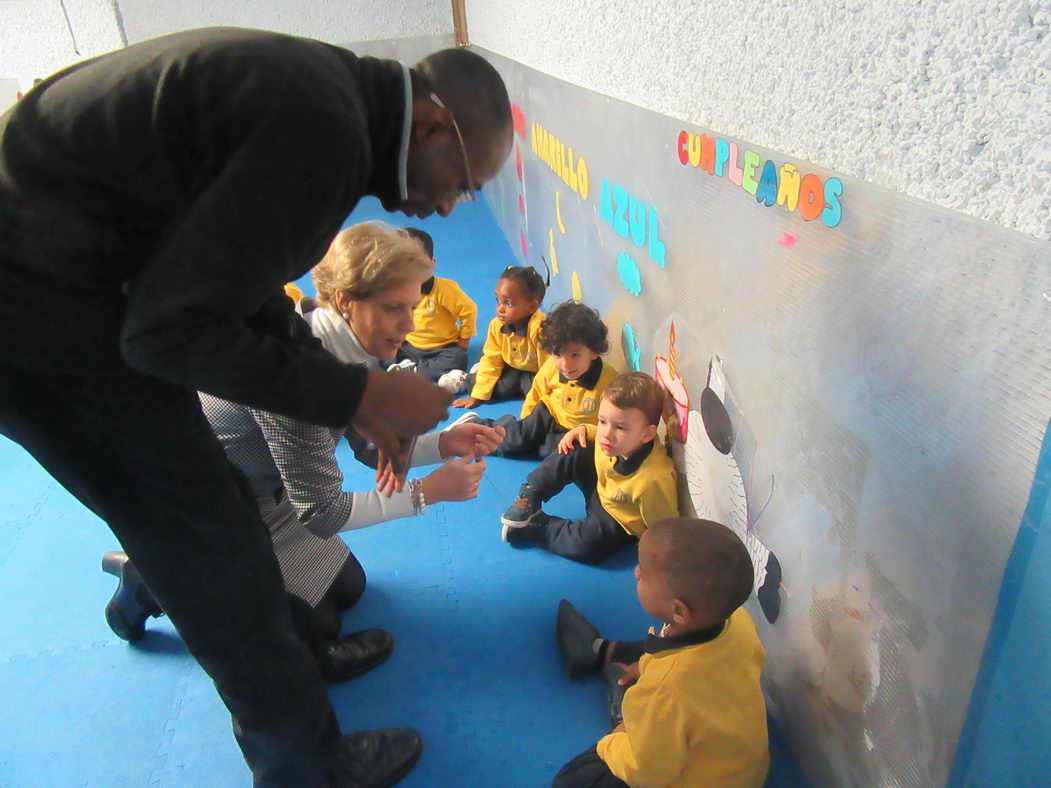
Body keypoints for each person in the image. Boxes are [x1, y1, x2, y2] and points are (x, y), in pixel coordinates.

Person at [0, 27, 512, 787]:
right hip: (46, 328)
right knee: (219, 558)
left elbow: (244, 290)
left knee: (230, 522)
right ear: (435, 126)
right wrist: (360, 394)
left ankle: (169, 578)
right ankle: (307, 771)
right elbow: (169, 333)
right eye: (465, 183)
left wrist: (368, 404)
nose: (448, 206)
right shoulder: (322, 134)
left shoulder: (326, 100)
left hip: (86, 293)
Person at [101, 225, 503, 686]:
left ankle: (159, 570)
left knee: (349, 588)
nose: (409, 326)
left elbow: (368, 447)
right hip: (220, 512)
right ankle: (149, 579)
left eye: (412, 306)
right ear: (345, 300)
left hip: (272, 493)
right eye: (394, 308)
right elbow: (323, 513)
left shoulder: (344, 343)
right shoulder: (298, 382)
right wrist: (427, 493)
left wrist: (443, 443)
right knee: (318, 628)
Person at [551, 518, 770, 788]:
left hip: (697, 779)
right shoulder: (737, 620)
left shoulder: (666, 687)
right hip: (740, 768)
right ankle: (603, 655)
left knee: (571, 780)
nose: (636, 573)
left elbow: (646, 774)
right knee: (651, 655)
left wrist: (615, 739)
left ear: (679, 611)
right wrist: (645, 667)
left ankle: (623, 707)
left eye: (643, 572)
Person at [500, 372, 678, 564]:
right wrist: (583, 428)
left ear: (647, 435)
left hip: (617, 519)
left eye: (621, 428)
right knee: (574, 444)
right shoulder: (613, 442)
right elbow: (593, 433)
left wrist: (655, 557)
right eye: (602, 421)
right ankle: (531, 494)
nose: (606, 435)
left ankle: (537, 526)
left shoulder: (654, 479)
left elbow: (663, 527)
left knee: (588, 545)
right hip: (600, 487)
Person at [475, 300, 619, 458]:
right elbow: (536, 391)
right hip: (547, 413)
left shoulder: (610, 383)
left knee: (551, 453)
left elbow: (612, 421)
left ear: (593, 352)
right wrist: (526, 421)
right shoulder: (552, 367)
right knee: (517, 441)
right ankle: (475, 427)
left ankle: (513, 428)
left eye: (575, 355)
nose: (565, 365)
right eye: (557, 354)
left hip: (572, 430)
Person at [448, 266, 548, 407]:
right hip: (511, 367)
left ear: (532, 307)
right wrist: (477, 396)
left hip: (535, 373)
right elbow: (492, 360)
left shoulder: (542, 331)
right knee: (489, 391)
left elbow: (548, 370)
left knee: (540, 400)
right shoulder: (497, 325)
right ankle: (466, 378)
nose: (500, 308)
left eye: (508, 303)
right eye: (498, 300)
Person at [391, 227, 477, 383]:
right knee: (383, 350)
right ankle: (411, 368)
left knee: (458, 358)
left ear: (432, 264)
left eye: (419, 266)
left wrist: (464, 340)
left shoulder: (445, 289)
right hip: (409, 346)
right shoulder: (398, 289)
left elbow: (468, 310)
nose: (412, 273)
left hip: (442, 348)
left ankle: (415, 370)